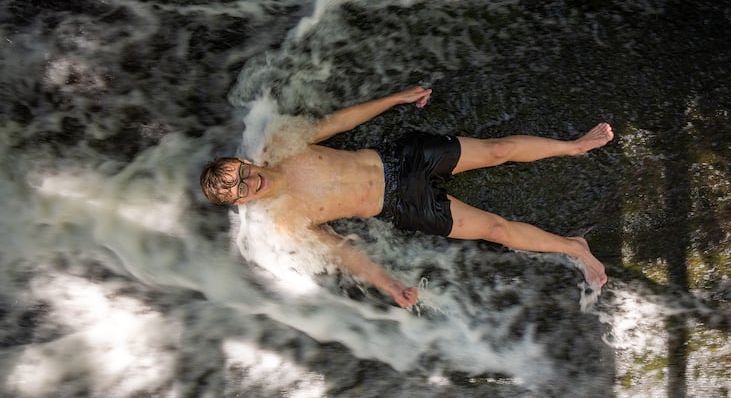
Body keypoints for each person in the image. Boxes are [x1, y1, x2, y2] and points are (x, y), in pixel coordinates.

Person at [200, 86, 613, 308]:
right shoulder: (284, 222)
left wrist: (395, 98)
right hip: (402, 205)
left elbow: (338, 122)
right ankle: (575, 249)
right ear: (239, 203)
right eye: (237, 190)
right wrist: (388, 285)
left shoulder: (282, 144)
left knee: (497, 151)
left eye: (240, 175)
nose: (246, 184)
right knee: (496, 229)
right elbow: (343, 253)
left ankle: (573, 146)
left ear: (241, 161)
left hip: (401, 160)